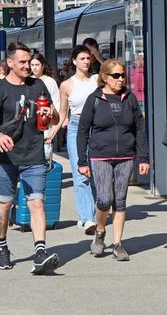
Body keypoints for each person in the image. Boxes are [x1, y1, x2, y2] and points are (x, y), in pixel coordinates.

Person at [0, 42, 61, 274]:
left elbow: (54, 119)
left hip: (34, 154)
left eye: (30, 62)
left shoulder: (38, 86)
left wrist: (51, 114)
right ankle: (2, 246)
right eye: (23, 62)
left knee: (36, 202)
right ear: (11, 63)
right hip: (6, 158)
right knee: (5, 204)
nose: (28, 66)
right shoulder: (0, 89)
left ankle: (40, 251)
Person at [77, 59, 150, 260]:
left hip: (126, 156)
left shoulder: (130, 99)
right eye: (116, 76)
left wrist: (144, 158)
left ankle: (118, 244)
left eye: (123, 75)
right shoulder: (94, 99)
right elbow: (83, 131)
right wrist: (82, 161)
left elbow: (140, 129)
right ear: (104, 77)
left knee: (120, 200)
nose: (121, 79)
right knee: (104, 199)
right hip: (100, 155)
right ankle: (100, 232)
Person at [57, 45, 99, 234]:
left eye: (88, 58)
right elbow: (63, 112)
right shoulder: (67, 85)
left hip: (97, 128)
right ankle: (87, 218)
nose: (86, 61)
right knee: (80, 173)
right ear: (74, 61)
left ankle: (98, 213)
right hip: (76, 127)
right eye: (82, 58)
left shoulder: (98, 80)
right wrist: (53, 131)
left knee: (97, 173)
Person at [31, 53, 61, 160]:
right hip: (32, 121)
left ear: (43, 66)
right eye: (32, 65)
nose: (34, 68)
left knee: (46, 151)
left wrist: (55, 123)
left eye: (37, 65)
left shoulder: (50, 81)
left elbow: (57, 102)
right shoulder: (28, 81)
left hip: (46, 121)